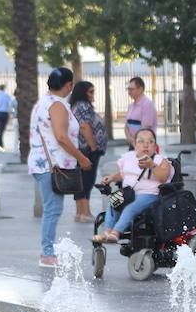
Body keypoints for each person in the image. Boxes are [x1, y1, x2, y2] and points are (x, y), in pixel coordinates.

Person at [29, 67, 91, 268]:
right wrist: (81, 158)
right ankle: (47, 254)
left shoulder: (42, 103)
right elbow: (62, 137)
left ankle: (48, 252)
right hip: (52, 165)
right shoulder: (56, 105)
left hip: (43, 163)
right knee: (52, 209)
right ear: (68, 85)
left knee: (52, 208)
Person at [92, 128, 173, 244]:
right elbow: (124, 174)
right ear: (135, 144)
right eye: (141, 141)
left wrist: (152, 165)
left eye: (150, 142)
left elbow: (163, 177)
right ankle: (107, 231)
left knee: (130, 207)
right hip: (129, 193)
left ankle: (116, 232)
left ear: (155, 145)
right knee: (114, 202)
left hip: (149, 194)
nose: (146, 145)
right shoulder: (129, 158)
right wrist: (112, 178)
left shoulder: (160, 160)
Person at [69, 81, 107, 223]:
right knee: (87, 180)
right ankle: (86, 212)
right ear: (83, 93)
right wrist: (93, 147)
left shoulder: (76, 106)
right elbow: (85, 127)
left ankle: (79, 212)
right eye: (90, 92)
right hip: (86, 149)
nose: (93, 94)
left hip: (80, 149)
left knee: (80, 180)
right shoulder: (83, 106)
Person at [123, 77, 157, 145]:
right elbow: (126, 126)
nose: (129, 92)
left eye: (131, 89)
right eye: (128, 89)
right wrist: (130, 139)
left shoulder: (147, 105)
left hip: (145, 146)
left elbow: (145, 128)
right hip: (133, 145)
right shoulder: (130, 106)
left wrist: (136, 141)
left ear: (140, 89)